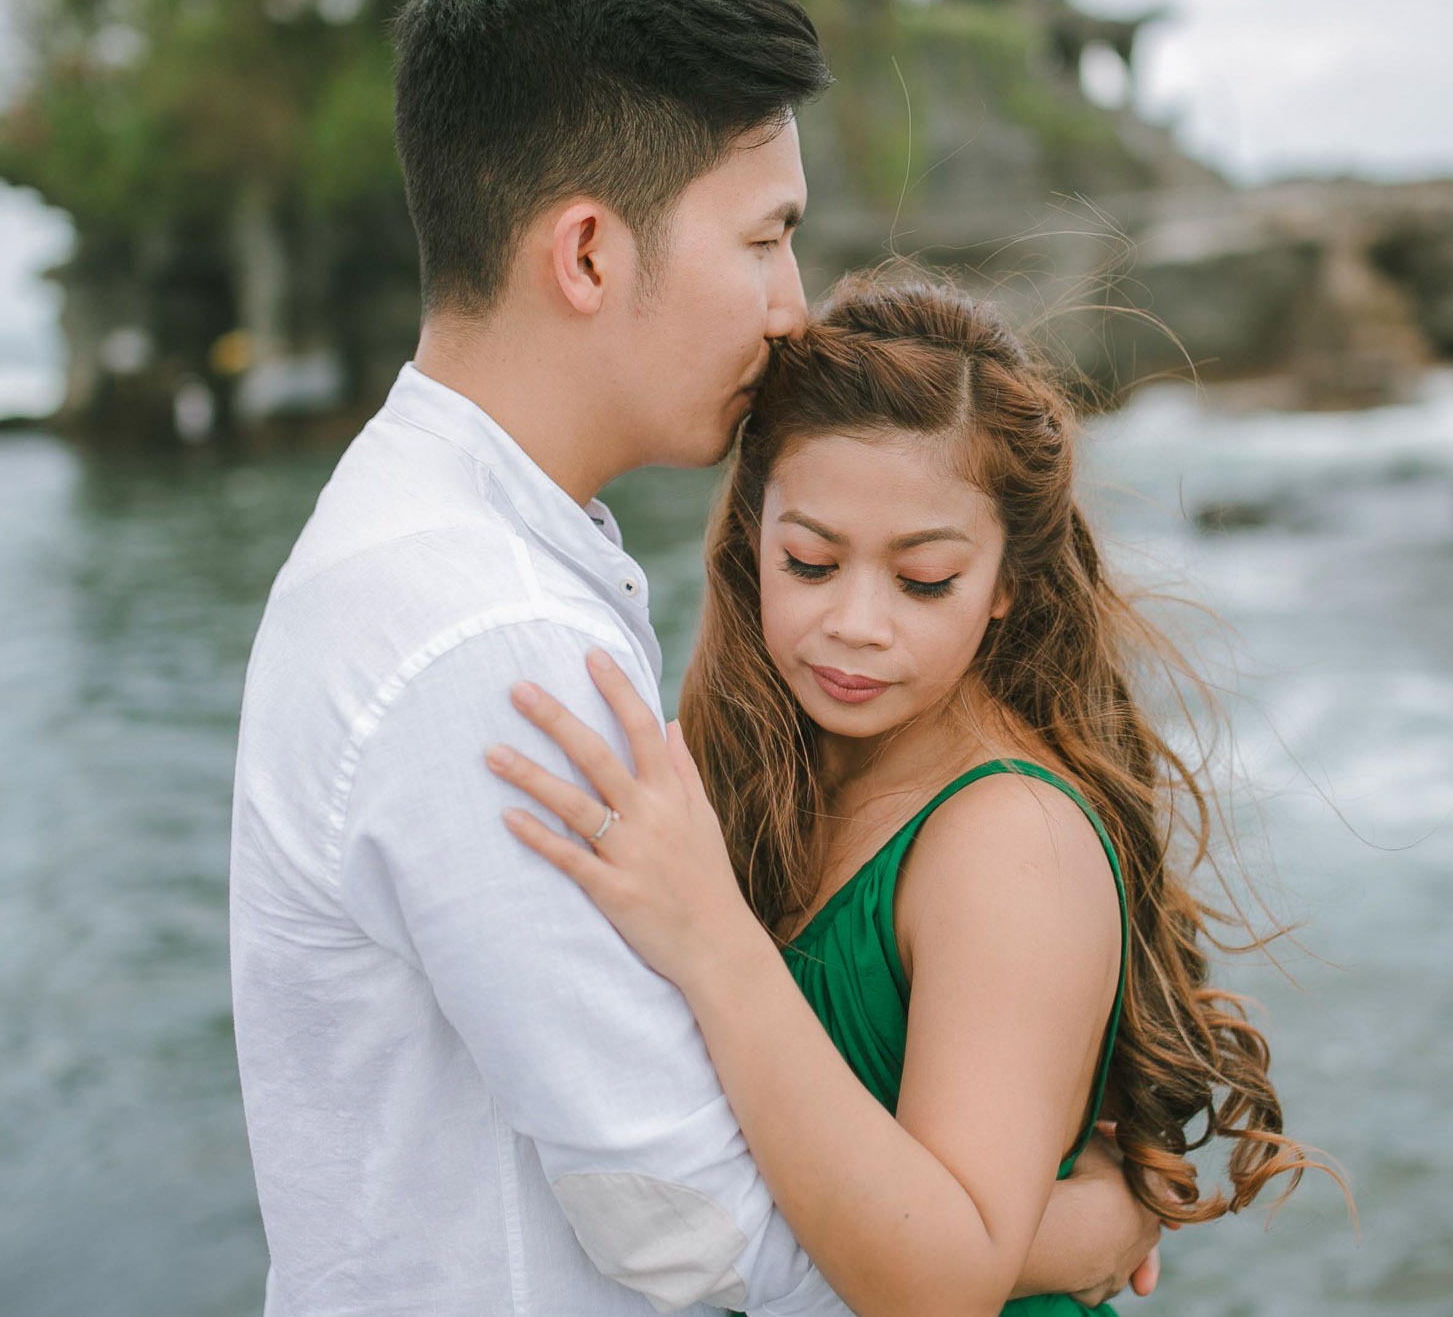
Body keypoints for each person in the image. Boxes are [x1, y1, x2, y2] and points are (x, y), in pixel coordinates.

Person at [227, 0, 1160, 1315]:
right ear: (591, 254)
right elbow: (694, 1227)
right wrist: (1074, 1228)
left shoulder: (432, 548)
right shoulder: (487, 643)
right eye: (767, 236)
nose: (794, 311)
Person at [488, 276, 1336, 1316]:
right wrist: (1075, 1230)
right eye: (809, 561)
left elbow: (938, 1285)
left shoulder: (1007, 839)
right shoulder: (760, 771)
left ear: (1008, 585)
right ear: (753, 537)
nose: (855, 622)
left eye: (923, 579)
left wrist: (711, 938)